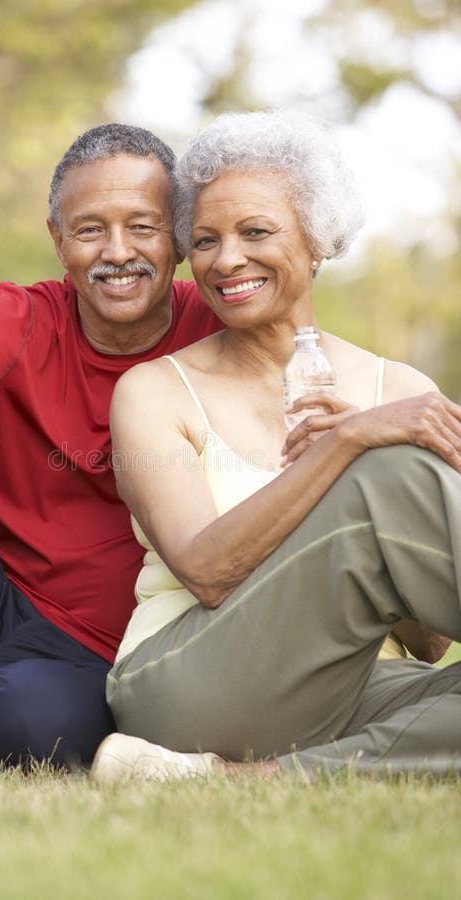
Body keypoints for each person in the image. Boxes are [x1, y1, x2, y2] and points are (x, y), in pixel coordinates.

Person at [91, 110, 461, 785]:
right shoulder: (154, 391)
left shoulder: (398, 387)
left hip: (342, 689)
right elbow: (206, 570)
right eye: (204, 240)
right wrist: (343, 447)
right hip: (190, 677)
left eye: (255, 231)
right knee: (390, 463)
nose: (227, 259)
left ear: (317, 242)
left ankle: (235, 779)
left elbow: (429, 641)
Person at [0, 123, 223, 773]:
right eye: (89, 229)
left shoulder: (221, 331)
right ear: (59, 241)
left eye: (142, 226)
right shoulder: (20, 322)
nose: (118, 251)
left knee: (33, 724)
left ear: (179, 237)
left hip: (100, 658)